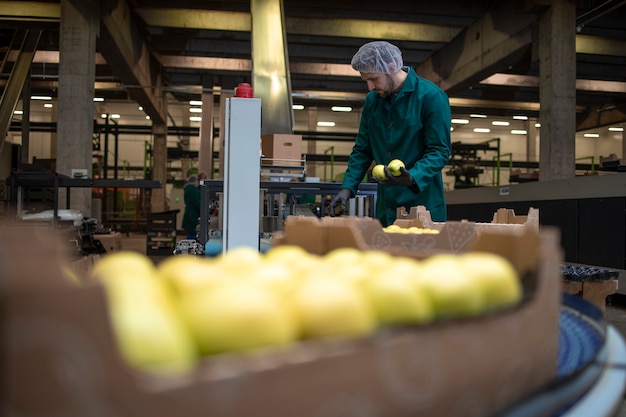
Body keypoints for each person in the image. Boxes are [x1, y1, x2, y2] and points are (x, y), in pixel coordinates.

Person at [328, 41, 452, 226]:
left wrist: (413, 176)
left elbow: (439, 150)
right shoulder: (372, 101)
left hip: (422, 207)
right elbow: (362, 149)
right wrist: (348, 187)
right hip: (386, 208)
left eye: (374, 79)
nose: (370, 87)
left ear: (392, 66)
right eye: (366, 81)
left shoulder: (430, 96)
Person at [182, 173, 203, 240]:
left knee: (190, 234)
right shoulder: (193, 190)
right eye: (197, 181)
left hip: (189, 214)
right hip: (193, 215)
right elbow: (197, 202)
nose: (198, 183)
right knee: (193, 234)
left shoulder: (188, 189)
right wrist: (205, 209)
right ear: (194, 181)